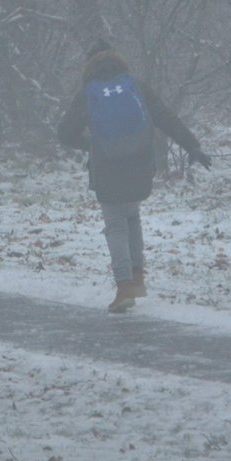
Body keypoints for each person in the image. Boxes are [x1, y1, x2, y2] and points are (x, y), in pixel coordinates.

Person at [57, 41, 212, 313]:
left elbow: (65, 134)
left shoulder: (88, 93)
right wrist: (192, 145)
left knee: (115, 223)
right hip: (140, 164)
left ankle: (124, 286)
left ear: (89, 64)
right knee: (132, 215)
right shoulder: (135, 86)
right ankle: (137, 278)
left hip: (107, 168)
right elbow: (165, 117)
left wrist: (91, 144)